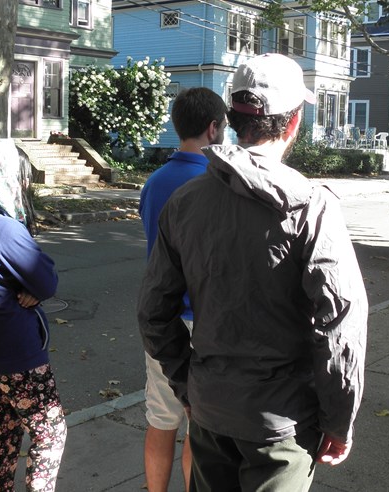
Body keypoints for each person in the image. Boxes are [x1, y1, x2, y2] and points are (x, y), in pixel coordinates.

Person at [137, 53, 368, 491]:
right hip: (282, 425)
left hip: (211, 412)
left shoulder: (185, 202)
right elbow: (339, 324)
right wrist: (339, 420)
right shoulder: (312, 206)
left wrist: (190, 386)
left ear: (233, 119)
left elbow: (152, 312)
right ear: (294, 122)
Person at [0, 139, 66, 491]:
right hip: (18, 351)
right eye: (21, 175)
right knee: (50, 431)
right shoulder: (0, 225)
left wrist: (28, 283)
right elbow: (46, 278)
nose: (24, 183)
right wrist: (34, 285)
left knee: (4, 427)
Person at [138, 87, 227, 492]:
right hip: (206, 321)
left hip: (162, 317)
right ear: (213, 128)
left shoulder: (154, 182)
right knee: (200, 426)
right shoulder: (217, 183)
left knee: (160, 420)